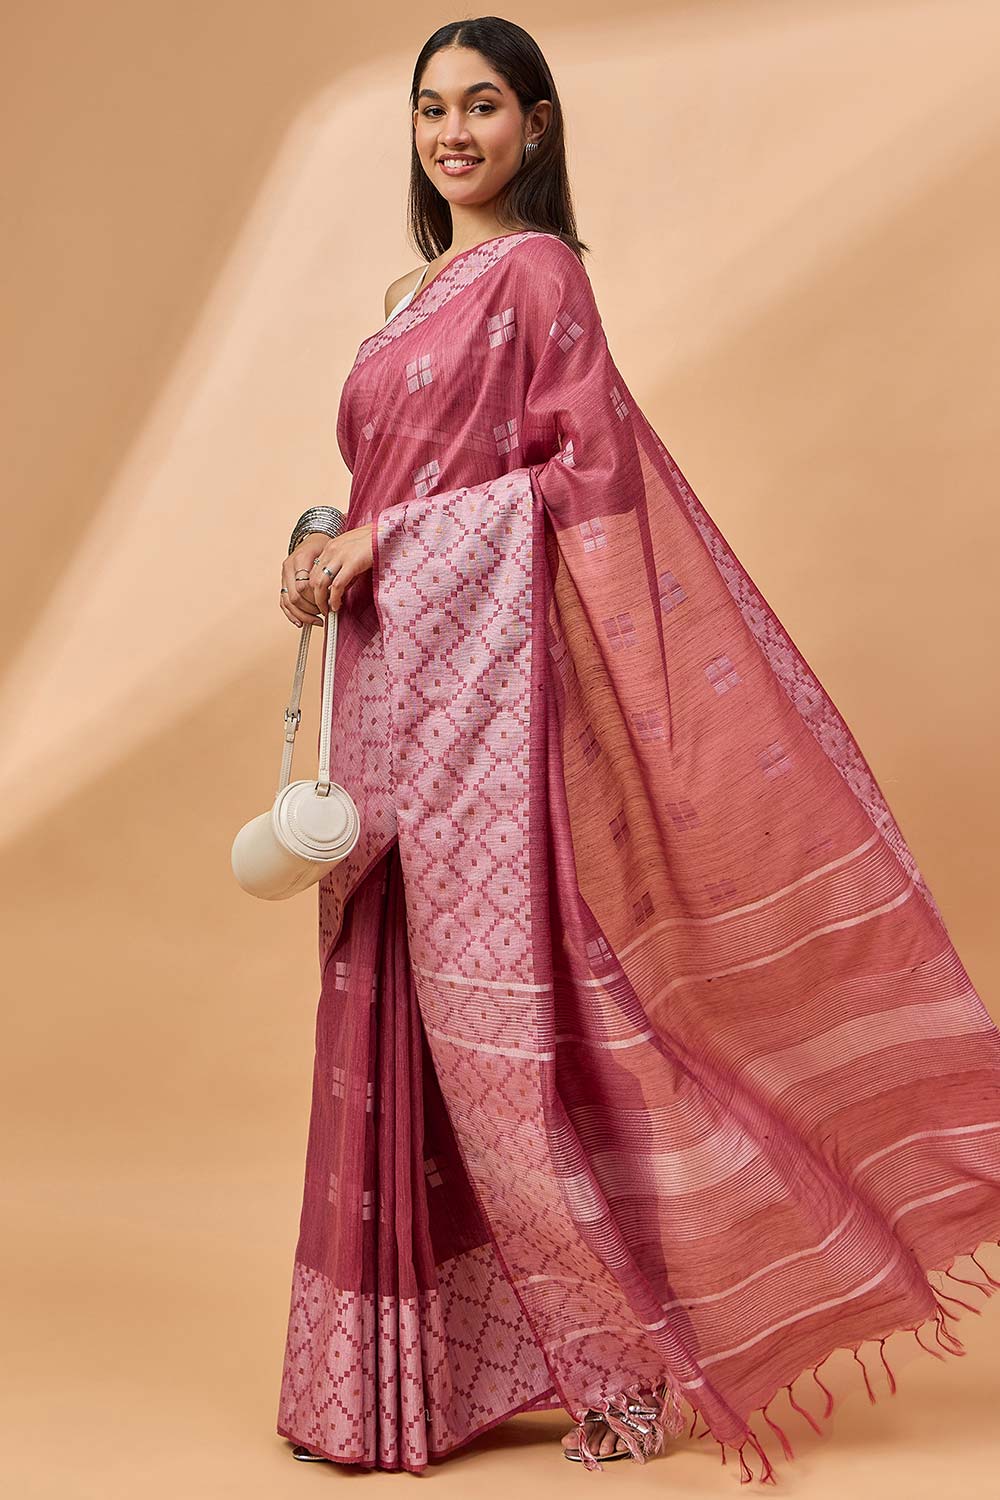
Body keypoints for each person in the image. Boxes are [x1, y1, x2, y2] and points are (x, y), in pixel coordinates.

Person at [272, 15, 1000, 1482]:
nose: (454, 132)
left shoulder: (539, 273)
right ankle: (412, 1382)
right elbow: (384, 480)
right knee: (392, 1011)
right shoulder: (410, 295)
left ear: (535, 125)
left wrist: (389, 545)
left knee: (522, 1035)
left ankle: (629, 1366)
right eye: (432, 108)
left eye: (484, 105)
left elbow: (582, 476)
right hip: (391, 686)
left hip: (492, 705)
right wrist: (320, 539)